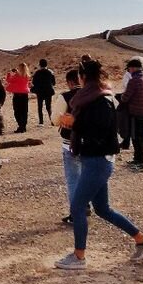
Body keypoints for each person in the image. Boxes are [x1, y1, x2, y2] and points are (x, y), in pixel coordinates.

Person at [54, 59, 143, 270]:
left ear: (83, 78)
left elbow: (101, 130)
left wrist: (75, 124)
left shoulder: (101, 99)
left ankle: (78, 257)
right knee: (102, 209)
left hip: (98, 160)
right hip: (96, 159)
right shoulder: (94, 96)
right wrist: (73, 123)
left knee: (77, 206)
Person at [53, 68, 85, 225]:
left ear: (70, 82)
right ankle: (86, 206)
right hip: (92, 143)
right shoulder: (96, 95)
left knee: (73, 180)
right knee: (87, 178)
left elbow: (55, 120)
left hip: (70, 143)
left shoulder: (65, 97)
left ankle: (76, 214)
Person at [120, 58, 143, 172]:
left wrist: (121, 96)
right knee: (139, 135)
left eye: (129, 69)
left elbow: (125, 98)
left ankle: (141, 162)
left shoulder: (134, 80)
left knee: (136, 138)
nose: (129, 71)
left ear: (133, 68)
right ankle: (136, 159)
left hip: (134, 113)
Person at [5, 63, 31, 133]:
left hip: (17, 95)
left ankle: (20, 126)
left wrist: (9, 73)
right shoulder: (27, 75)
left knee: (17, 112)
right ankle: (23, 127)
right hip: (25, 95)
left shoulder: (17, 75)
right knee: (24, 111)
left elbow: (9, 80)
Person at [31, 59, 57, 127]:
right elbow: (54, 83)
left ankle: (41, 122)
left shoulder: (37, 73)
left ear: (39, 64)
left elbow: (34, 83)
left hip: (40, 92)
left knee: (40, 107)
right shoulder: (50, 72)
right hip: (48, 91)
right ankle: (52, 121)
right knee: (49, 107)